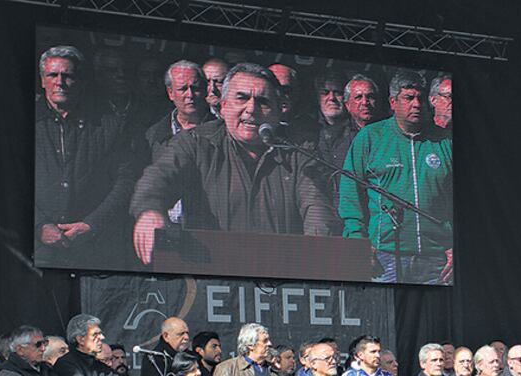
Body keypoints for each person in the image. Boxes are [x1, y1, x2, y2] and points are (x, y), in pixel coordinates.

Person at [130, 63, 336, 265]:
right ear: (223, 106)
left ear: (278, 111)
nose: (251, 109)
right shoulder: (195, 142)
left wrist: (315, 252)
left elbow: (316, 207)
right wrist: (150, 211)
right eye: (241, 98)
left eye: (263, 102)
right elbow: (158, 179)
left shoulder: (298, 151)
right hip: (208, 272)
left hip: (280, 275)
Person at [339, 70, 453, 284]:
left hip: (437, 260)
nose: (417, 104)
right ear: (393, 102)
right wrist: (357, 241)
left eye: (420, 97)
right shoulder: (370, 137)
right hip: (384, 257)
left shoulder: (444, 141)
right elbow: (349, 193)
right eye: (409, 98)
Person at [35, 45, 137, 269]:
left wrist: (91, 224)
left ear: (80, 81)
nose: (60, 82)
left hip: (94, 249)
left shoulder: (109, 124)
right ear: (42, 80)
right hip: (35, 250)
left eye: (68, 75)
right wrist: (38, 225)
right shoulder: (23, 121)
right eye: (53, 75)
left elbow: (125, 181)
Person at [144, 60, 214, 161]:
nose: (190, 95)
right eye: (183, 89)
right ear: (170, 93)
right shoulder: (153, 135)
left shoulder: (224, 132)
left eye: (196, 88)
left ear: (205, 90)